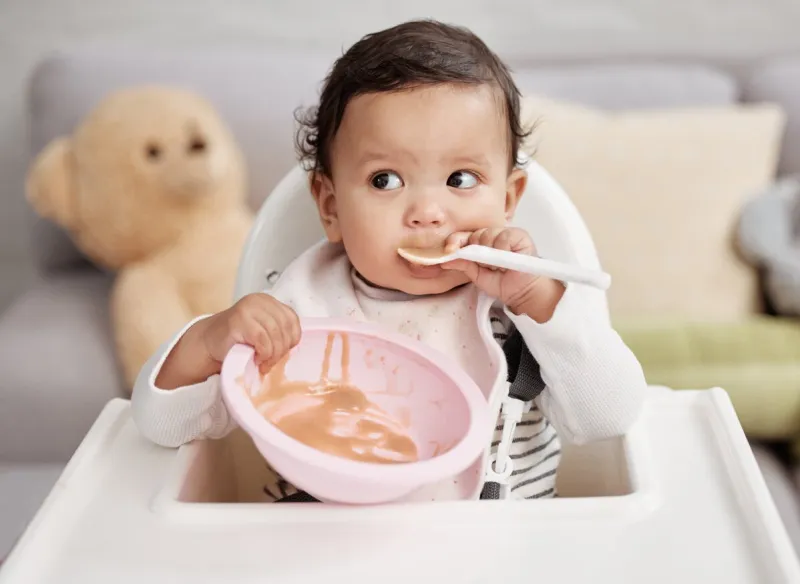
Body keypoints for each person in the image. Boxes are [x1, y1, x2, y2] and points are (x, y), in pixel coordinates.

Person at [131, 19, 646, 502]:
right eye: (385, 180)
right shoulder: (301, 304)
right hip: (333, 552)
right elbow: (163, 425)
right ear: (331, 207)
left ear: (509, 198)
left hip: (504, 549)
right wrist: (207, 341)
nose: (426, 213)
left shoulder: (525, 301)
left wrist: (539, 301)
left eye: (460, 180)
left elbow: (609, 418)